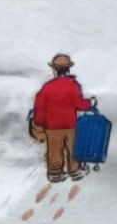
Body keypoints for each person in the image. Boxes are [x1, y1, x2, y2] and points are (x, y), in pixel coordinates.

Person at [31, 54, 95, 183]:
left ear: (54, 70)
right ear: (68, 69)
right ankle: (75, 172)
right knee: (73, 149)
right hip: (70, 125)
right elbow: (80, 104)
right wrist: (91, 103)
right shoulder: (73, 85)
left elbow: (39, 107)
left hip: (52, 126)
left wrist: (40, 123)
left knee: (54, 151)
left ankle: (55, 174)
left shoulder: (47, 87)